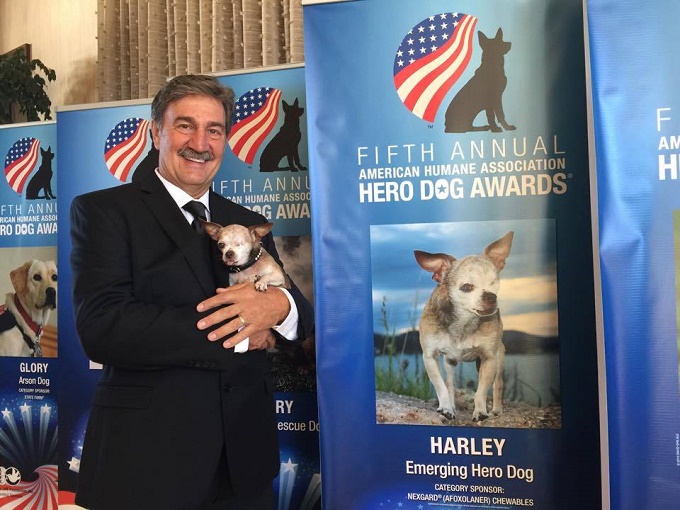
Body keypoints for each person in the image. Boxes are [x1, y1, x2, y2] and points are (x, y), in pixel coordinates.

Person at [69, 74, 314, 509]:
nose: (200, 143)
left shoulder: (247, 221)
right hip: (146, 464)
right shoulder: (104, 211)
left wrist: (278, 305)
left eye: (214, 130)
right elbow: (103, 327)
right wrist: (242, 329)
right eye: (185, 125)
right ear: (154, 131)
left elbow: (300, 316)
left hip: (244, 463)